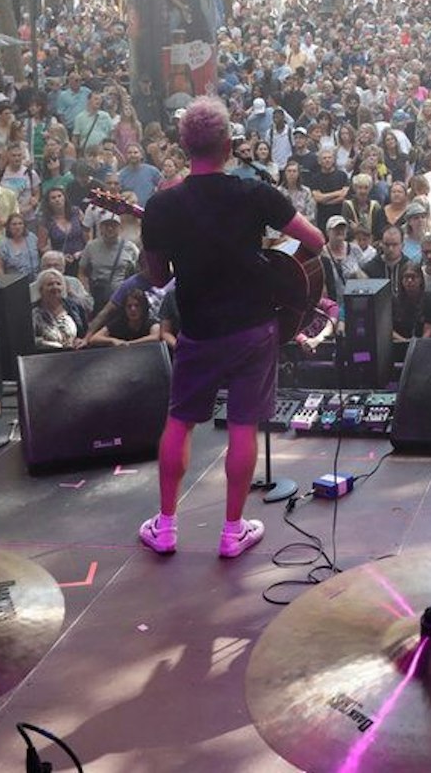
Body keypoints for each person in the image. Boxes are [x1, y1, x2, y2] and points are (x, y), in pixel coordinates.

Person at [137, 96, 324, 560]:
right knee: (243, 424)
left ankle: (164, 526)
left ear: (184, 145)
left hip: (198, 327)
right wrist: (267, 245)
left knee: (179, 422)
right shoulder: (253, 193)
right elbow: (315, 240)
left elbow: (158, 277)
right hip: (253, 327)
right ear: (227, 145)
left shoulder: (163, 205)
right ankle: (232, 530)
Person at [31, 268, 84, 350]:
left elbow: (84, 334)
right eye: (50, 284)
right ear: (41, 289)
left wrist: (80, 341)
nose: (55, 287)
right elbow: (28, 340)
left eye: (58, 284)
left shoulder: (75, 307)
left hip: (74, 355)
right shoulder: (32, 312)